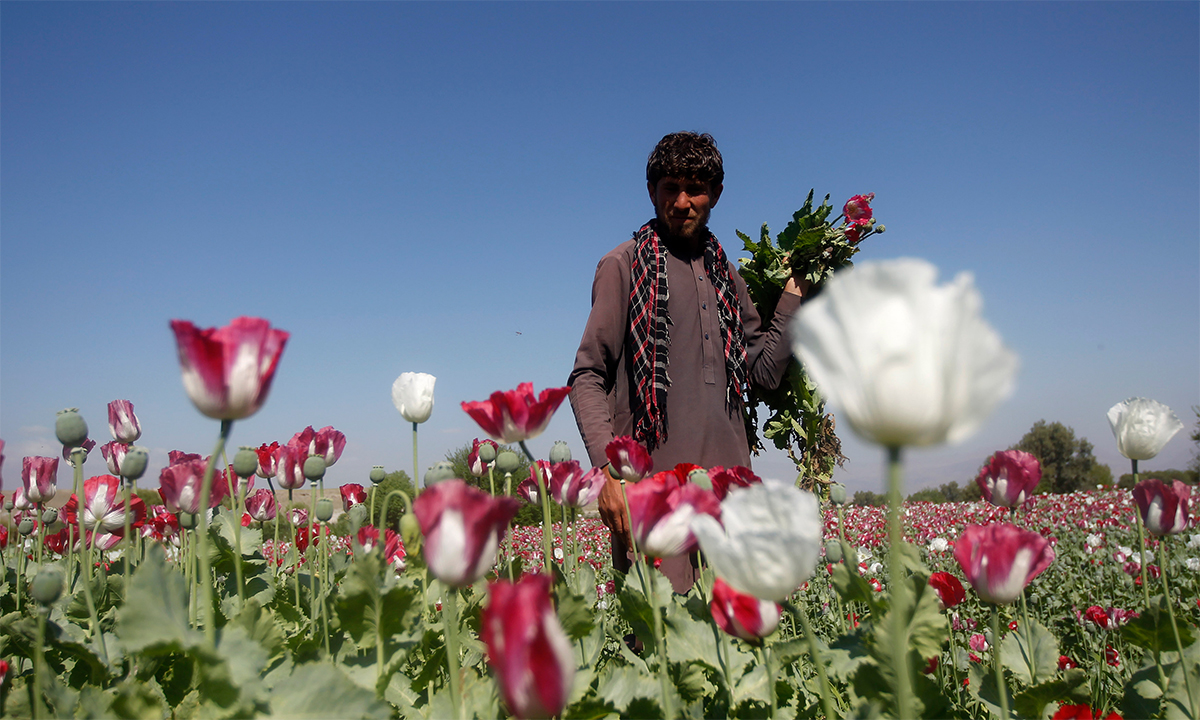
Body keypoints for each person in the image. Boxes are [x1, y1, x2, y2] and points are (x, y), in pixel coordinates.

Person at [567, 131, 810, 592]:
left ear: (716, 193)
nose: (681, 202)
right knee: (661, 648)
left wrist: (795, 295)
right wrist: (607, 470)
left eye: (695, 187)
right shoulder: (623, 266)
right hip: (654, 503)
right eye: (669, 188)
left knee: (735, 648)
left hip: (731, 499)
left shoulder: (727, 277)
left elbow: (764, 372)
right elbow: (587, 375)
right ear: (651, 192)